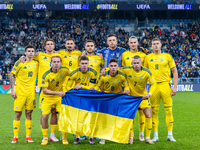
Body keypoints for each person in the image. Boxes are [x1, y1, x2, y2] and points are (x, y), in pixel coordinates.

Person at [20, 39, 61, 142]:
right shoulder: (39, 55)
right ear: (45, 46)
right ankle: (45, 136)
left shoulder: (58, 56)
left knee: (54, 112)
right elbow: (29, 57)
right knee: (44, 113)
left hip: (56, 87)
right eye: (48, 44)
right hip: (44, 88)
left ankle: (52, 135)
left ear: (54, 45)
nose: (50, 46)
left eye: (51, 44)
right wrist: (22, 57)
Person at [144, 38, 178, 142]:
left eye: (157, 43)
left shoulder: (167, 56)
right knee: (154, 111)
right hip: (153, 87)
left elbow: (175, 72)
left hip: (165, 85)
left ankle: (170, 135)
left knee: (168, 110)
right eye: (153, 44)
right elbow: (145, 74)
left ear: (161, 44)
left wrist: (175, 86)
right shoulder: (147, 57)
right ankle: (155, 135)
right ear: (151, 45)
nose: (156, 45)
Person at [91, 58, 130, 145]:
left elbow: (126, 86)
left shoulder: (122, 76)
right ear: (108, 67)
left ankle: (118, 136)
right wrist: (94, 90)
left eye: (115, 66)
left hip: (117, 99)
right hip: (106, 99)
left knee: (118, 119)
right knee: (105, 119)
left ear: (118, 67)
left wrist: (127, 90)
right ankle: (103, 137)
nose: (113, 68)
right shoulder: (103, 76)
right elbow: (98, 86)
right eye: (111, 66)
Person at [123, 55, 156, 144]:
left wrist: (149, 94)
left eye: (138, 63)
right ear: (132, 63)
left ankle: (148, 138)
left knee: (148, 115)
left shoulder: (146, 72)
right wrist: (104, 70)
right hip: (131, 98)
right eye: (134, 63)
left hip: (143, 97)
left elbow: (154, 84)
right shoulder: (127, 69)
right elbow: (114, 68)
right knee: (130, 117)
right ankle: (130, 137)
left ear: (141, 63)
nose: (136, 65)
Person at [67, 56, 98, 145]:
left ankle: (91, 137)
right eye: (82, 63)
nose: (84, 65)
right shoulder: (74, 73)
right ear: (79, 64)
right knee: (76, 117)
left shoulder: (93, 72)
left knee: (90, 117)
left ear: (88, 64)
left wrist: (81, 86)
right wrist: (73, 89)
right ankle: (77, 137)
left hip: (89, 97)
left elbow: (91, 88)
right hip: (78, 98)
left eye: (86, 63)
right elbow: (68, 87)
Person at [10, 45, 38, 143]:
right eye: (29, 51)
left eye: (32, 51)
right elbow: (12, 75)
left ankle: (28, 137)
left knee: (29, 114)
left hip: (31, 94)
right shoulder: (19, 62)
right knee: (17, 114)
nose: (31, 52)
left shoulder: (36, 63)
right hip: (20, 93)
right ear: (25, 53)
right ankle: (15, 137)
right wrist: (12, 89)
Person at [122, 36, 147, 141]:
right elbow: (123, 70)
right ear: (128, 44)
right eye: (131, 42)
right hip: (129, 88)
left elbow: (145, 70)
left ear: (137, 43)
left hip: (140, 87)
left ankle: (141, 133)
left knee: (142, 112)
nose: (133, 44)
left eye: (134, 42)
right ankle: (131, 133)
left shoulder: (143, 55)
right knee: (130, 112)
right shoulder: (125, 55)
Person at [40, 55, 70, 145]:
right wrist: (58, 93)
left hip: (58, 98)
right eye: (54, 62)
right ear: (51, 63)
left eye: (58, 62)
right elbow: (45, 91)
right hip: (47, 97)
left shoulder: (65, 70)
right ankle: (45, 138)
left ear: (61, 63)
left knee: (62, 116)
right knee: (44, 117)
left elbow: (75, 73)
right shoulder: (46, 74)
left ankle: (64, 137)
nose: (56, 64)